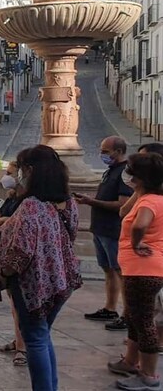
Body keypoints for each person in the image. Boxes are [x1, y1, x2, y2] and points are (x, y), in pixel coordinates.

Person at [0, 145, 82, 391]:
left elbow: (21, 251)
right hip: (61, 279)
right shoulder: (69, 203)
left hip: (33, 282)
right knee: (42, 336)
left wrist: (4, 273)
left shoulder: (31, 206)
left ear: (30, 171)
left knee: (34, 338)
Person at [106, 152, 163, 391]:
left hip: (143, 270)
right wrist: (138, 190)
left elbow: (139, 224)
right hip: (141, 269)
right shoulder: (147, 196)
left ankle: (148, 374)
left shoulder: (150, 203)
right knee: (134, 316)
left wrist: (137, 242)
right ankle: (130, 361)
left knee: (143, 322)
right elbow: (122, 213)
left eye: (130, 170)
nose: (126, 174)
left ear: (139, 177)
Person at [76, 136, 133, 331]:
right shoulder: (111, 171)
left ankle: (128, 314)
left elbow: (122, 204)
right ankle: (110, 307)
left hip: (113, 229)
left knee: (120, 271)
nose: (102, 155)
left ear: (118, 151)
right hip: (100, 228)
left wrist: (92, 202)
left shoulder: (124, 173)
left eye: (106, 151)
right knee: (108, 270)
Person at [0, 160, 27, 367]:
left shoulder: (27, 201)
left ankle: (23, 347)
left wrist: (4, 221)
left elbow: (9, 222)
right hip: (5, 248)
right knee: (14, 303)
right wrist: (3, 221)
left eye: (10, 173)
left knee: (20, 303)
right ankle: (19, 339)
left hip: (16, 253)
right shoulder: (11, 198)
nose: (6, 176)